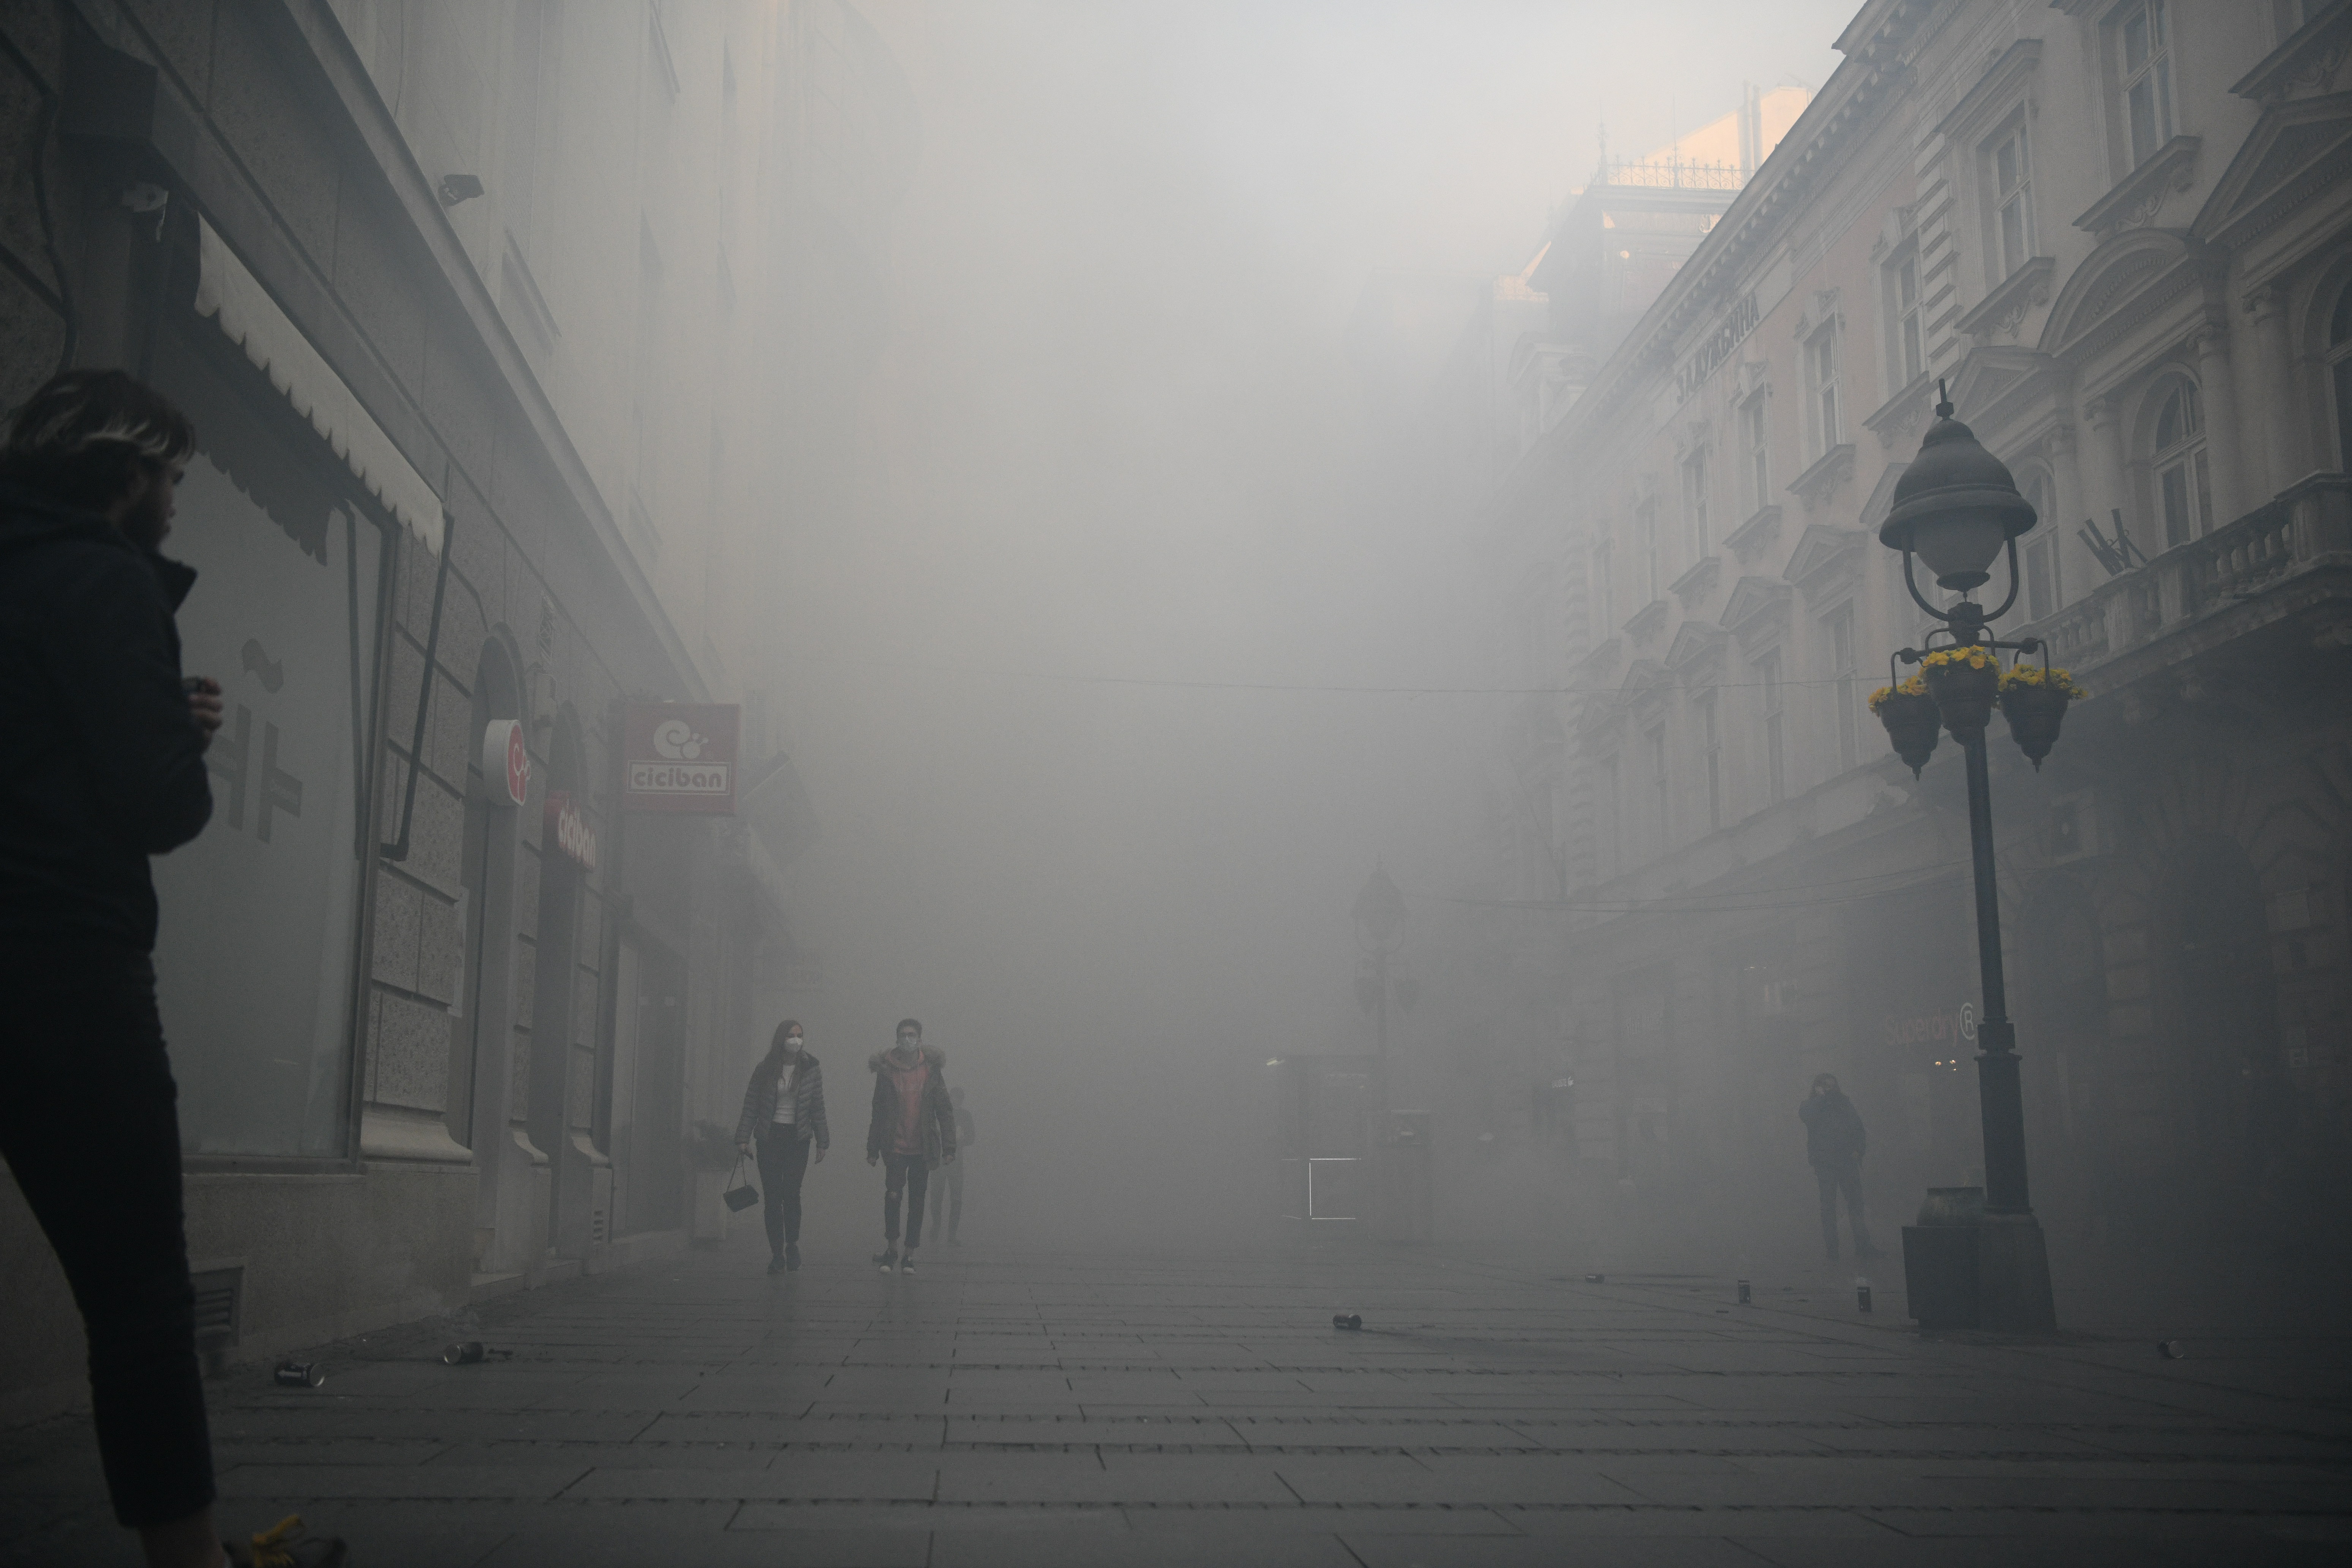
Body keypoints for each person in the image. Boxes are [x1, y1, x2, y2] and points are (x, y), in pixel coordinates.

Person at [0, 370, 343, 1567]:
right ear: (125, 470)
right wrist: (176, 734)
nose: (181, 500)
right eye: (175, 476)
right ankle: (189, 1558)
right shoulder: (106, 578)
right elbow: (158, 805)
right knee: (139, 1290)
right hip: (63, 967)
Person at [733, 1019, 829, 1273]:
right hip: (770, 1137)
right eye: (791, 1035)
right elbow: (751, 1105)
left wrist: (823, 1141)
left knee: (792, 1193)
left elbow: (817, 1107)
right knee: (773, 1198)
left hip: (798, 1139)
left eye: (800, 1035)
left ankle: (792, 1244)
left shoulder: (811, 1068)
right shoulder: (765, 1069)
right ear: (780, 1039)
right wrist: (743, 1138)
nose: (796, 1040)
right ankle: (777, 1253)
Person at [865, 1018, 955, 1274]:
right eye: (903, 1034)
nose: (907, 1039)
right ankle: (892, 1248)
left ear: (920, 1038)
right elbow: (878, 1112)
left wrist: (949, 1147)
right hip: (894, 1146)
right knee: (893, 1197)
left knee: (917, 1201)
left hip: (922, 1147)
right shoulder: (886, 1071)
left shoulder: (932, 1070)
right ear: (896, 1038)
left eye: (912, 1034)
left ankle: (909, 1254)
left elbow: (945, 1110)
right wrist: (872, 1149)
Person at [1799, 1072, 1880, 1261]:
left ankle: (1863, 1246)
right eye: (1825, 1086)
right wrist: (1820, 1099)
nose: (1830, 1090)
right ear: (1817, 1088)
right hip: (1826, 1164)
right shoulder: (1812, 1106)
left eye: (1832, 1086)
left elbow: (1858, 1128)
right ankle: (1833, 1252)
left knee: (1856, 1205)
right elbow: (1806, 1116)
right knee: (1829, 1208)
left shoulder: (1844, 1104)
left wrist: (1859, 1151)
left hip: (1847, 1162)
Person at [944, 1086, 974, 1245]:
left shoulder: (965, 1116)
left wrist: (961, 1140)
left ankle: (951, 1234)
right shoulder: (942, 1113)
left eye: (959, 1098)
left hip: (956, 1162)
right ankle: (936, 1228)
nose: (956, 1100)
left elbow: (972, 1138)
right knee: (936, 1198)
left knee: (956, 1199)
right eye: (954, 1097)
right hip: (941, 1162)